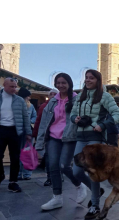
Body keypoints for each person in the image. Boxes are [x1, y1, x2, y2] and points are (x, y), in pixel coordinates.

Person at [70, 69, 119, 220]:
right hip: (80, 136)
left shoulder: (105, 96)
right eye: (86, 78)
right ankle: (96, 191)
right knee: (76, 171)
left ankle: (94, 205)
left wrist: (103, 125)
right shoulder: (80, 96)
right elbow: (72, 114)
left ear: (98, 80)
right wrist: (75, 118)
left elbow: (118, 115)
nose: (88, 80)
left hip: (95, 137)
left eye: (91, 78)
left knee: (93, 173)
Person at [36, 73, 88, 210]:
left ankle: (79, 185)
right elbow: (44, 122)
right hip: (53, 137)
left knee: (64, 166)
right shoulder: (52, 101)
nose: (61, 85)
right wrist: (39, 142)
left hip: (69, 137)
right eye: (58, 83)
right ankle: (57, 197)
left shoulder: (77, 100)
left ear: (69, 84)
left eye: (63, 82)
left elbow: (85, 117)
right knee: (52, 166)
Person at [0, 78, 32, 192]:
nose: (14, 89)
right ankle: (1, 175)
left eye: (15, 86)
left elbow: (25, 117)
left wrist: (28, 132)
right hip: (0, 130)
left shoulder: (19, 100)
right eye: (11, 86)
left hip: (14, 131)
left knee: (15, 157)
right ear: (4, 85)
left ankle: (13, 182)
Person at [33, 88, 58, 186]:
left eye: (54, 94)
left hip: (59, 134)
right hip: (48, 135)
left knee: (58, 157)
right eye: (50, 94)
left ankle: (57, 175)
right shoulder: (44, 106)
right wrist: (36, 133)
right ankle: (49, 177)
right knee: (48, 156)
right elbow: (39, 121)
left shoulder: (62, 105)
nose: (52, 95)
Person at [17, 87, 37, 181]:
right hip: (18, 132)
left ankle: (27, 174)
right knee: (17, 153)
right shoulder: (16, 105)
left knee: (28, 153)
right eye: (28, 96)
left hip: (28, 131)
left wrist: (28, 122)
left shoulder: (30, 106)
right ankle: (18, 173)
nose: (29, 98)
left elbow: (35, 116)